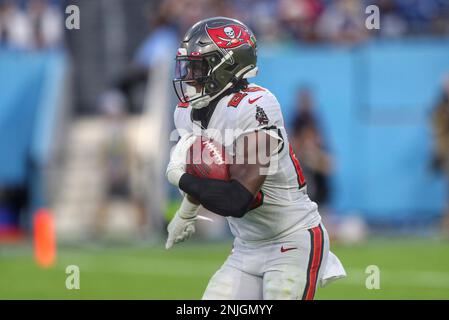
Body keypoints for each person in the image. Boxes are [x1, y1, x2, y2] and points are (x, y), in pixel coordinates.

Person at [165, 17, 345, 300]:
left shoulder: (256, 106)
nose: (189, 75)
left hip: (291, 239)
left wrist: (179, 177)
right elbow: (211, 173)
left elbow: (237, 199)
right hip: (247, 246)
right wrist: (185, 212)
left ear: (229, 66)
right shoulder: (186, 112)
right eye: (188, 65)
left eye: (199, 66)